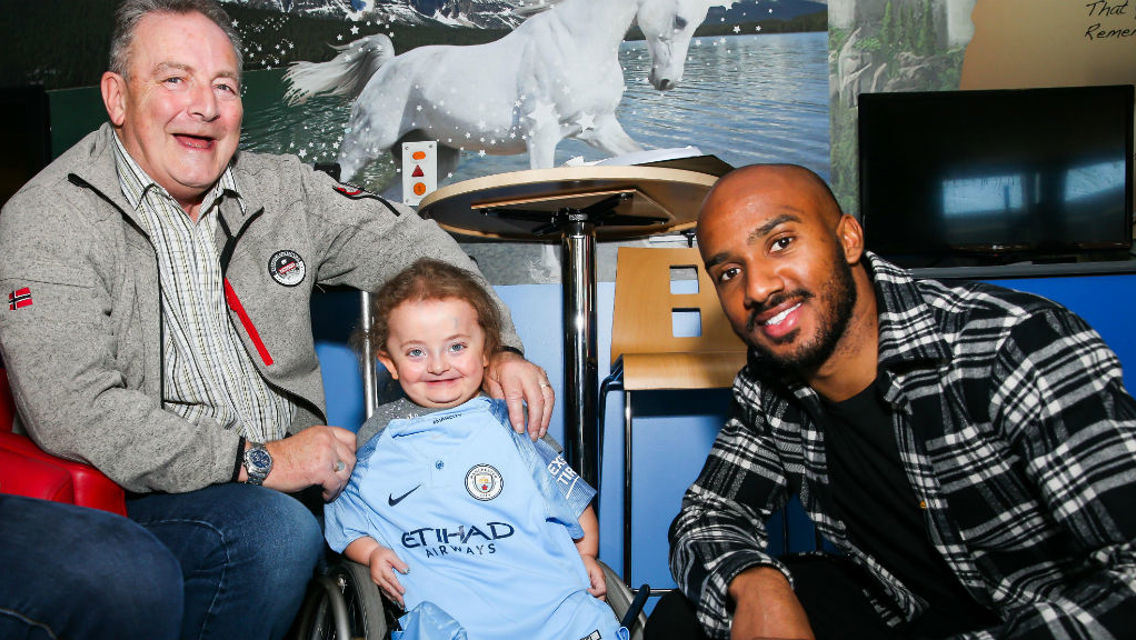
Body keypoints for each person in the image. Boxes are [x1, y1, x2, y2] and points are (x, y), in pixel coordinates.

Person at [0, 1, 553, 638]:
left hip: (301, 479)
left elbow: (413, 246)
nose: (204, 106)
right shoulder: (47, 217)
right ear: (118, 97)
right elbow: (74, 406)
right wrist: (260, 462)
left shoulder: (284, 190)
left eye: (225, 86)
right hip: (133, 498)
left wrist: (503, 347)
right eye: (174, 79)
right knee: (273, 531)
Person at [651, 164, 1136, 640]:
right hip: (901, 610)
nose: (757, 288)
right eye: (730, 271)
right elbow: (710, 512)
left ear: (848, 239)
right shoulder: (770, 385)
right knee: (684, 618)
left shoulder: (1011, 343)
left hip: (1046, 619)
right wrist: (758, 587)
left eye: (781, 242)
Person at [324, 258, 624, 640]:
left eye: (456, 347)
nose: (437, 365)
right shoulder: (379, 437)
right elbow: (349, 516)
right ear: (390, 362)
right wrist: (370, 554)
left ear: (487, 351)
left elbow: (572, 501)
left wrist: (584, 558)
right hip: (449, 619)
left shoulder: (514, 421)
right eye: (416, 352)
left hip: (546, 605)